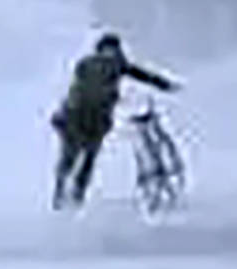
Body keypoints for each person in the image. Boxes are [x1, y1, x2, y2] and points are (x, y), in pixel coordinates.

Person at [50, 33, 179, 210]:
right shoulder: (117, 63)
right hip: (95, 120)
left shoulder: (84, 63)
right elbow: (142, 75)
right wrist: (166, 85)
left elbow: (79, 89)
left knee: (68, 157)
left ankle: (59, 196)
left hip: (71, 116)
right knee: (89, 157)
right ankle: (77, 196)